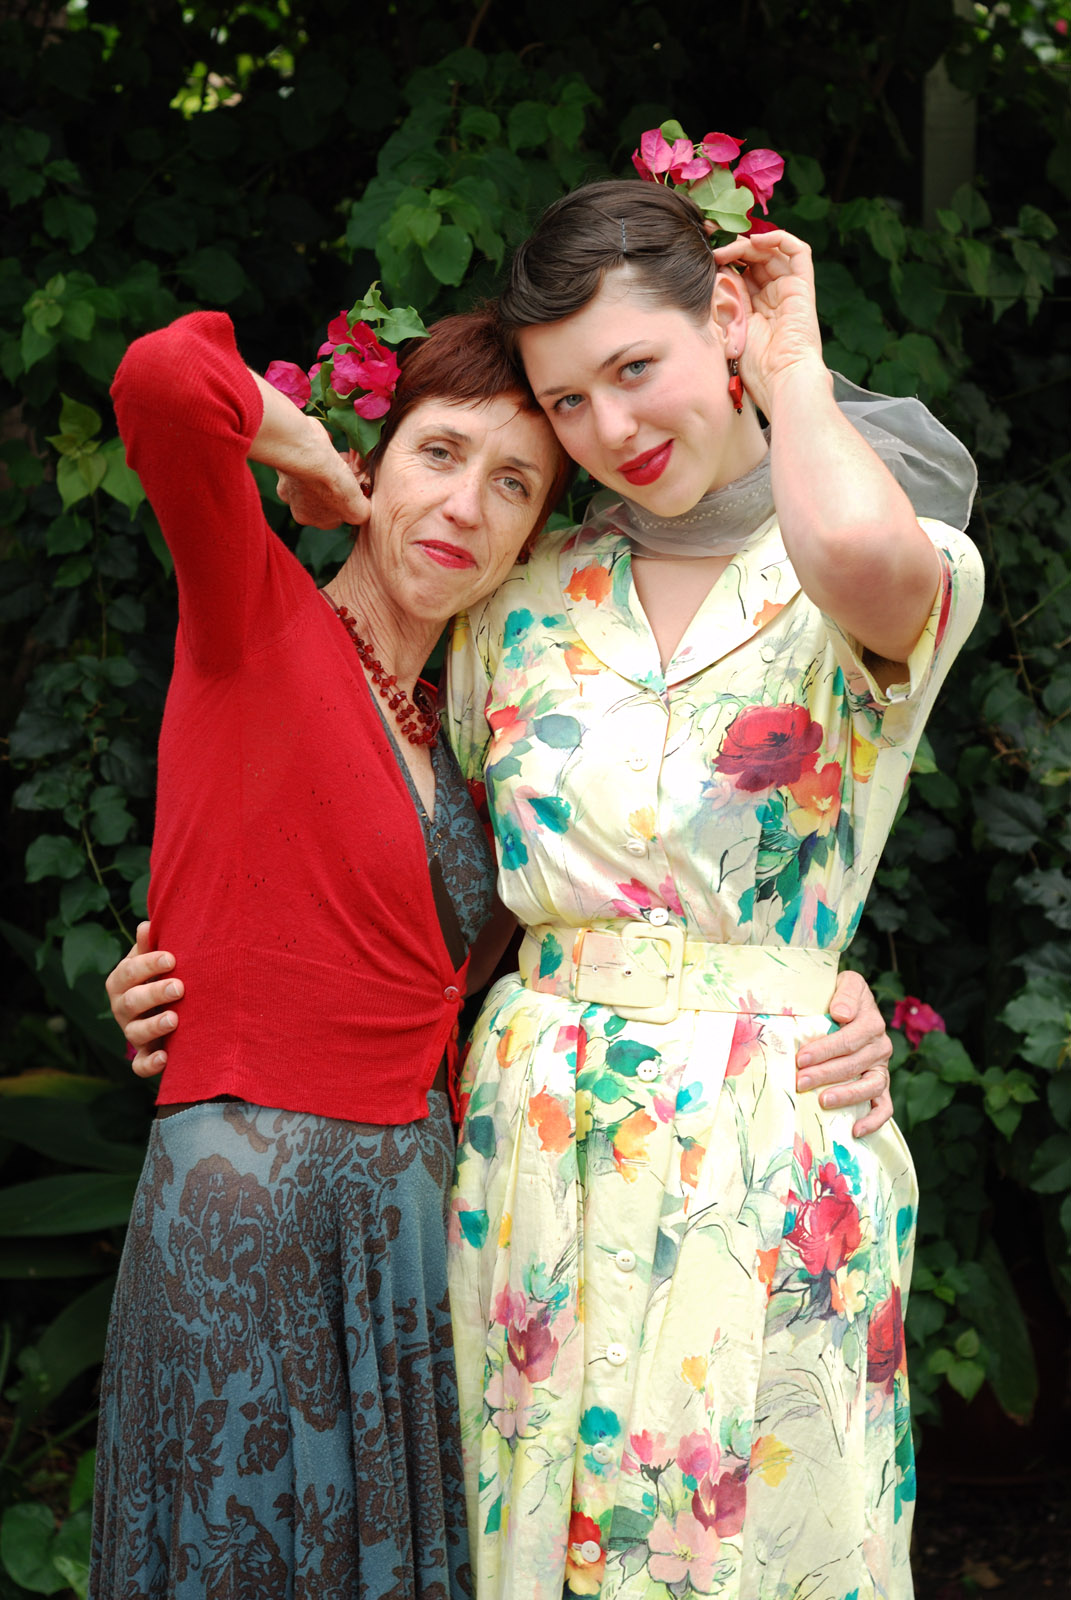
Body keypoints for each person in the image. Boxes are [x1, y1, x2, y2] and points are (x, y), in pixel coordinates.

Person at [441, 182, 983, 1599]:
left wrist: (792, 361)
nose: (610, 428)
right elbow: (426, 876)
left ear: (725, 317)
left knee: (764, 1544)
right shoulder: (519, 600)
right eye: (567, 401)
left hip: (771, 1138)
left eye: (637, 367)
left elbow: (858, 558)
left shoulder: (873, 558)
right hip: (536, 1152)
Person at [91, 305, 571, 1600]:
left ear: (534, 534)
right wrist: (304, 451)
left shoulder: (478, 759)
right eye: (439, 453)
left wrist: (824, 996)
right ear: (380, 459)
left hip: (410, 1240)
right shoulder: (254, 615)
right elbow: (164, 379)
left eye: (512, 482)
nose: (464, 505)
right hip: (251, 1214)